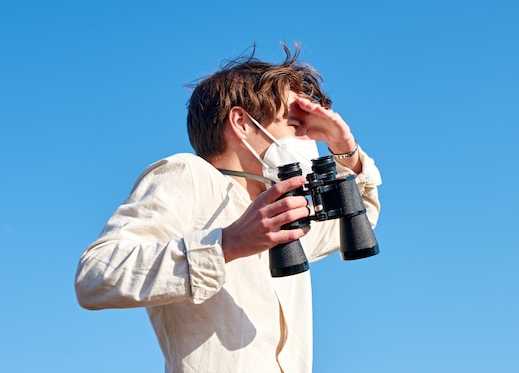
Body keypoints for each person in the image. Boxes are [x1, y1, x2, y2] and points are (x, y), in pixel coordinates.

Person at [75, 43, 382, 373]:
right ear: (242, 123)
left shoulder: (280, 214)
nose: (309, 140)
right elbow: (96, 277)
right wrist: (226, 245)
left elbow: (361, 217)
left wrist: (345, 151)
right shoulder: (189, 175)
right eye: (295, 124)